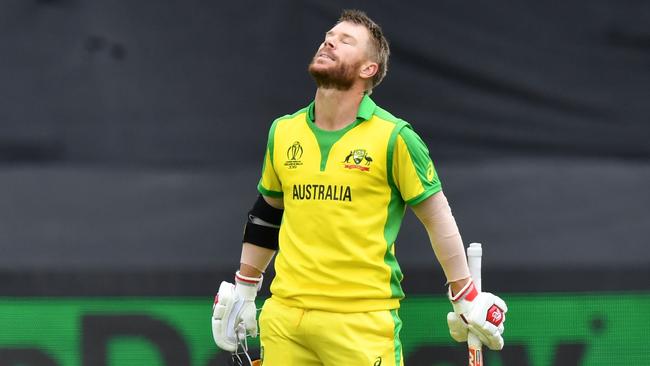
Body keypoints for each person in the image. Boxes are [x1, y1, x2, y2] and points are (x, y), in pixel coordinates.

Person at [211, 9, 507, 366]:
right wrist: (246, 288)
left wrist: (463, 294)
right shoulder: (284, 131)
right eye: (328, 37)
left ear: (369, 70)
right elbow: (268, 212)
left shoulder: (395, 137)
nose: (329, 41)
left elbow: (437, 217)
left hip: (361, 322)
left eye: (345, 41)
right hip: (285, 318)